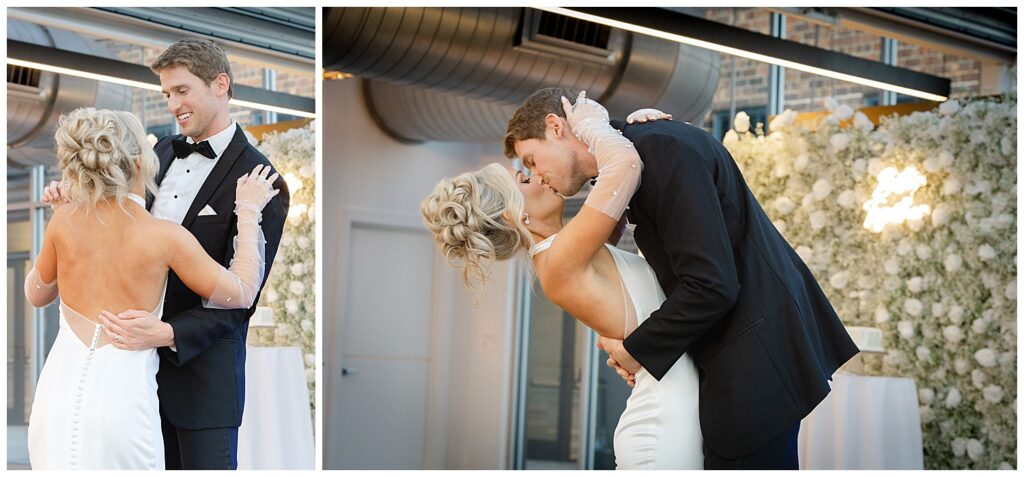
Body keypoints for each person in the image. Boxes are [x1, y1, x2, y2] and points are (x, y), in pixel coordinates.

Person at [506, 88, 859, 469]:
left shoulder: (658, 151)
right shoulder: (647, 148)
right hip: (736, 358)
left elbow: (711, 283)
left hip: (753, 360)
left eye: (531, 160)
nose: (537, 175)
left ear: (556, 127)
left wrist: (638, 350)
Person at [45, 38, 290, 469]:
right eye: (166, 94)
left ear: (220, 84)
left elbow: (238, 302)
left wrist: (166, 333)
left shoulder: (261, 179)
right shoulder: (151, 154)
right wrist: (75, 198)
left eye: (181, 90)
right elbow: (110, 228)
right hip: (125, 375)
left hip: (201, 386)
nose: (173, 104)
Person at [423, 97, 701, 469]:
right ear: (513, 216)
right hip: (664, 424)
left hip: (674, 409)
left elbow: (620, 180)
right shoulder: (558, 261)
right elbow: (626, 167)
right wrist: (595, 126)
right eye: (524, 178)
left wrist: (634, 128)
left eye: (530, 169)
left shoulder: (569, 249)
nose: (537, 176)